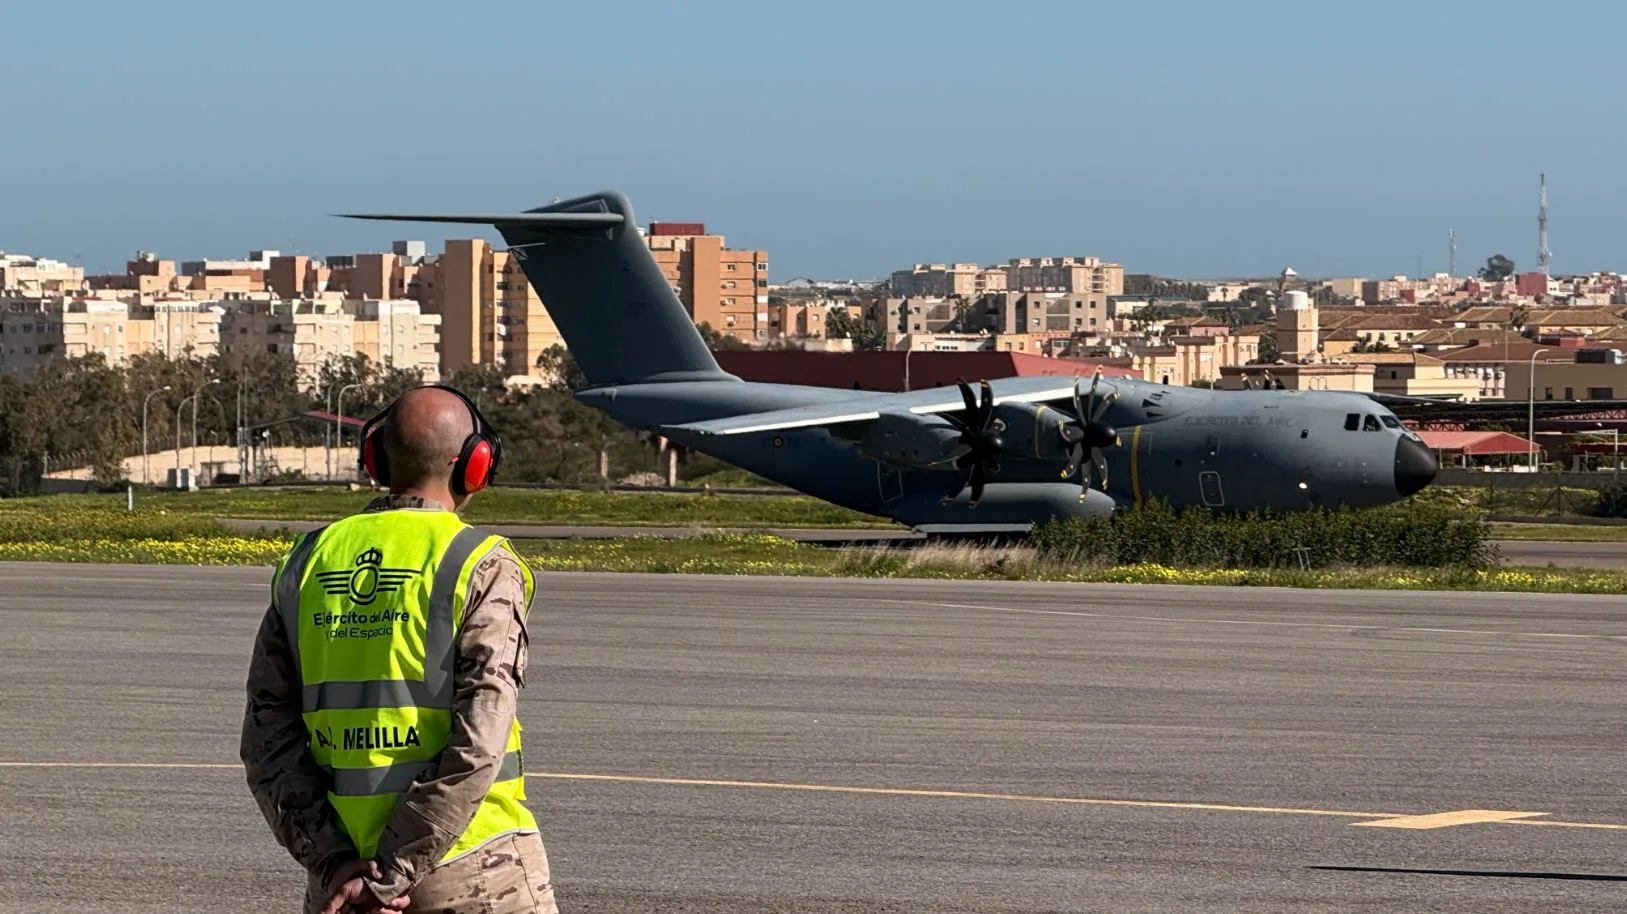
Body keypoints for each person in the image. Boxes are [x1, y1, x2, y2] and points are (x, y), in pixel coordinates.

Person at [240, 384, 559, 914]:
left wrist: (334, 863)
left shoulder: (307, 562)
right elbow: (480, 737)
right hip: (471, 863)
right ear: (474, 464)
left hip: (344, 880)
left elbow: (266, 738)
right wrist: (394, 871)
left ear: (376, 459)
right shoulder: (480, 563)